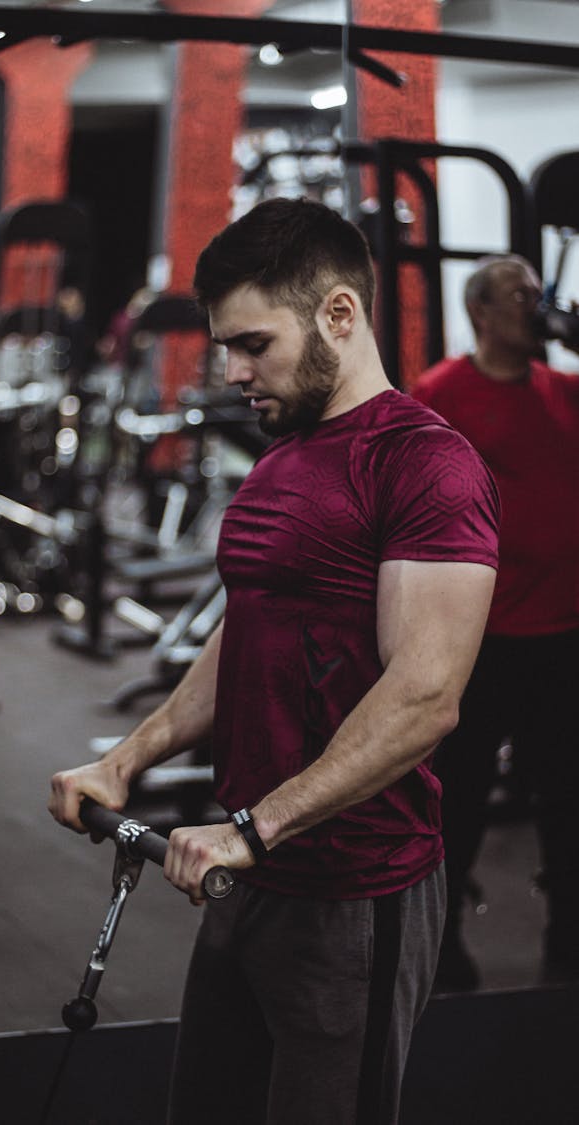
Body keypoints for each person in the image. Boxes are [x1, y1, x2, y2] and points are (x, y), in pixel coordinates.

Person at [49, 198, 500, 1125]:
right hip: (252, 878)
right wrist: (128, 758)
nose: (231, 369)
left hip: (353, 891)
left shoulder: (425, 465)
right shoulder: (284, 457)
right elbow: (247, 630)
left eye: (252, 343)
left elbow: (424, 695)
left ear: (338, 315)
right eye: (226, 345)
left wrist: (253, 828)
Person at [412, 254, 579, 991]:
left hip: (563, 636)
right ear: (481, 311)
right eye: (520, 295)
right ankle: (439, 948)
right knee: (461, 800)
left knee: (569, 800)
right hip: (480, 641)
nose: (534, 305)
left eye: (538, 294)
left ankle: (571, 941)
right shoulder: (441, 393)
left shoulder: (566, 391)